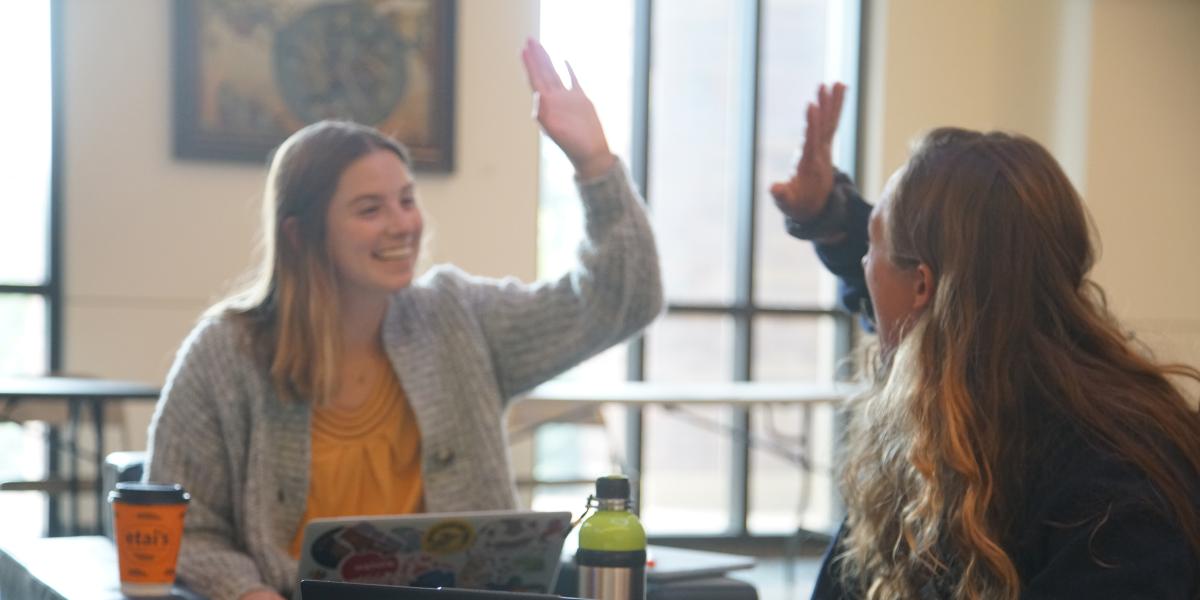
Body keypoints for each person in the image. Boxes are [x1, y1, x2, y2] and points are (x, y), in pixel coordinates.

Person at [144, 40, 663, 600]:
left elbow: (621, 301)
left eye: (407, 200)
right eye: (370, 209)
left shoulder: (458, 316)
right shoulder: (227, 352)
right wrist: (248, 592)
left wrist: (594, 163)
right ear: (300, 235)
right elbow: (184, 528)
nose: (402, 225)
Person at [771, 84, 1200, 599]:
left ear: (923, 286)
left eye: (870, 247)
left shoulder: (1113, 502)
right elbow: (940, 281)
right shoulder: (1005, 375)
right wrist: (832, 219)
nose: (863, 268)